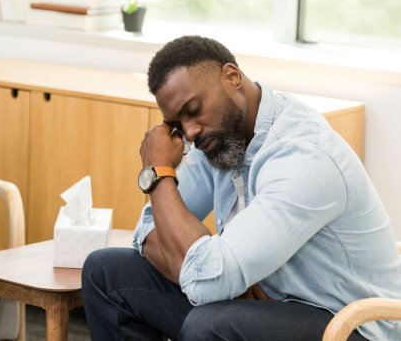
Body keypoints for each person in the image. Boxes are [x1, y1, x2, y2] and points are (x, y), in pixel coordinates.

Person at [82, 35, 401, 340]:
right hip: (267, 309)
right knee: (106, 272)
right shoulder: (219, 140)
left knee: (211, 326)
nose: (190, 133)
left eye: (194, 110)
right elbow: (149, 228)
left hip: (351, 325)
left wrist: (159, 173)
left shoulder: (303, 155)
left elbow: (207, 280)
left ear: (232, 77)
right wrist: (221, 281)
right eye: (179, 125)